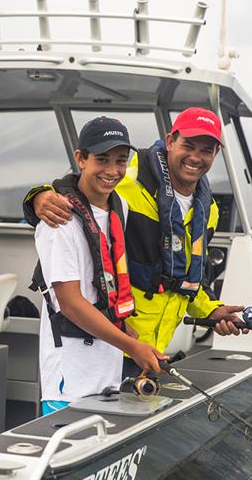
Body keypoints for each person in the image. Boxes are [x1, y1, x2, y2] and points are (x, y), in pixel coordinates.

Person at [25, 108, 246, 376]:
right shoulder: (124, 184)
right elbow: (76, 190)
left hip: (152, 352)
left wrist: (212, 311)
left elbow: (186, 277)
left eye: (206, 150)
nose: (195, 157)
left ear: (216, 154)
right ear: (170, 141)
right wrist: (38, 197)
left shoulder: (207, 211)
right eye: (188, 145)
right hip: (113, 342)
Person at [31, 116, 167, 415]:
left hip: (106, 368)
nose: (112, 171)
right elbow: (69, 303)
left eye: (121, 161)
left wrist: (125, 330)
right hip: (69, 377)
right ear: (80, 158)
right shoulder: (58, 220)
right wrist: (133, 348)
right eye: (102, 159)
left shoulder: (122, 207)